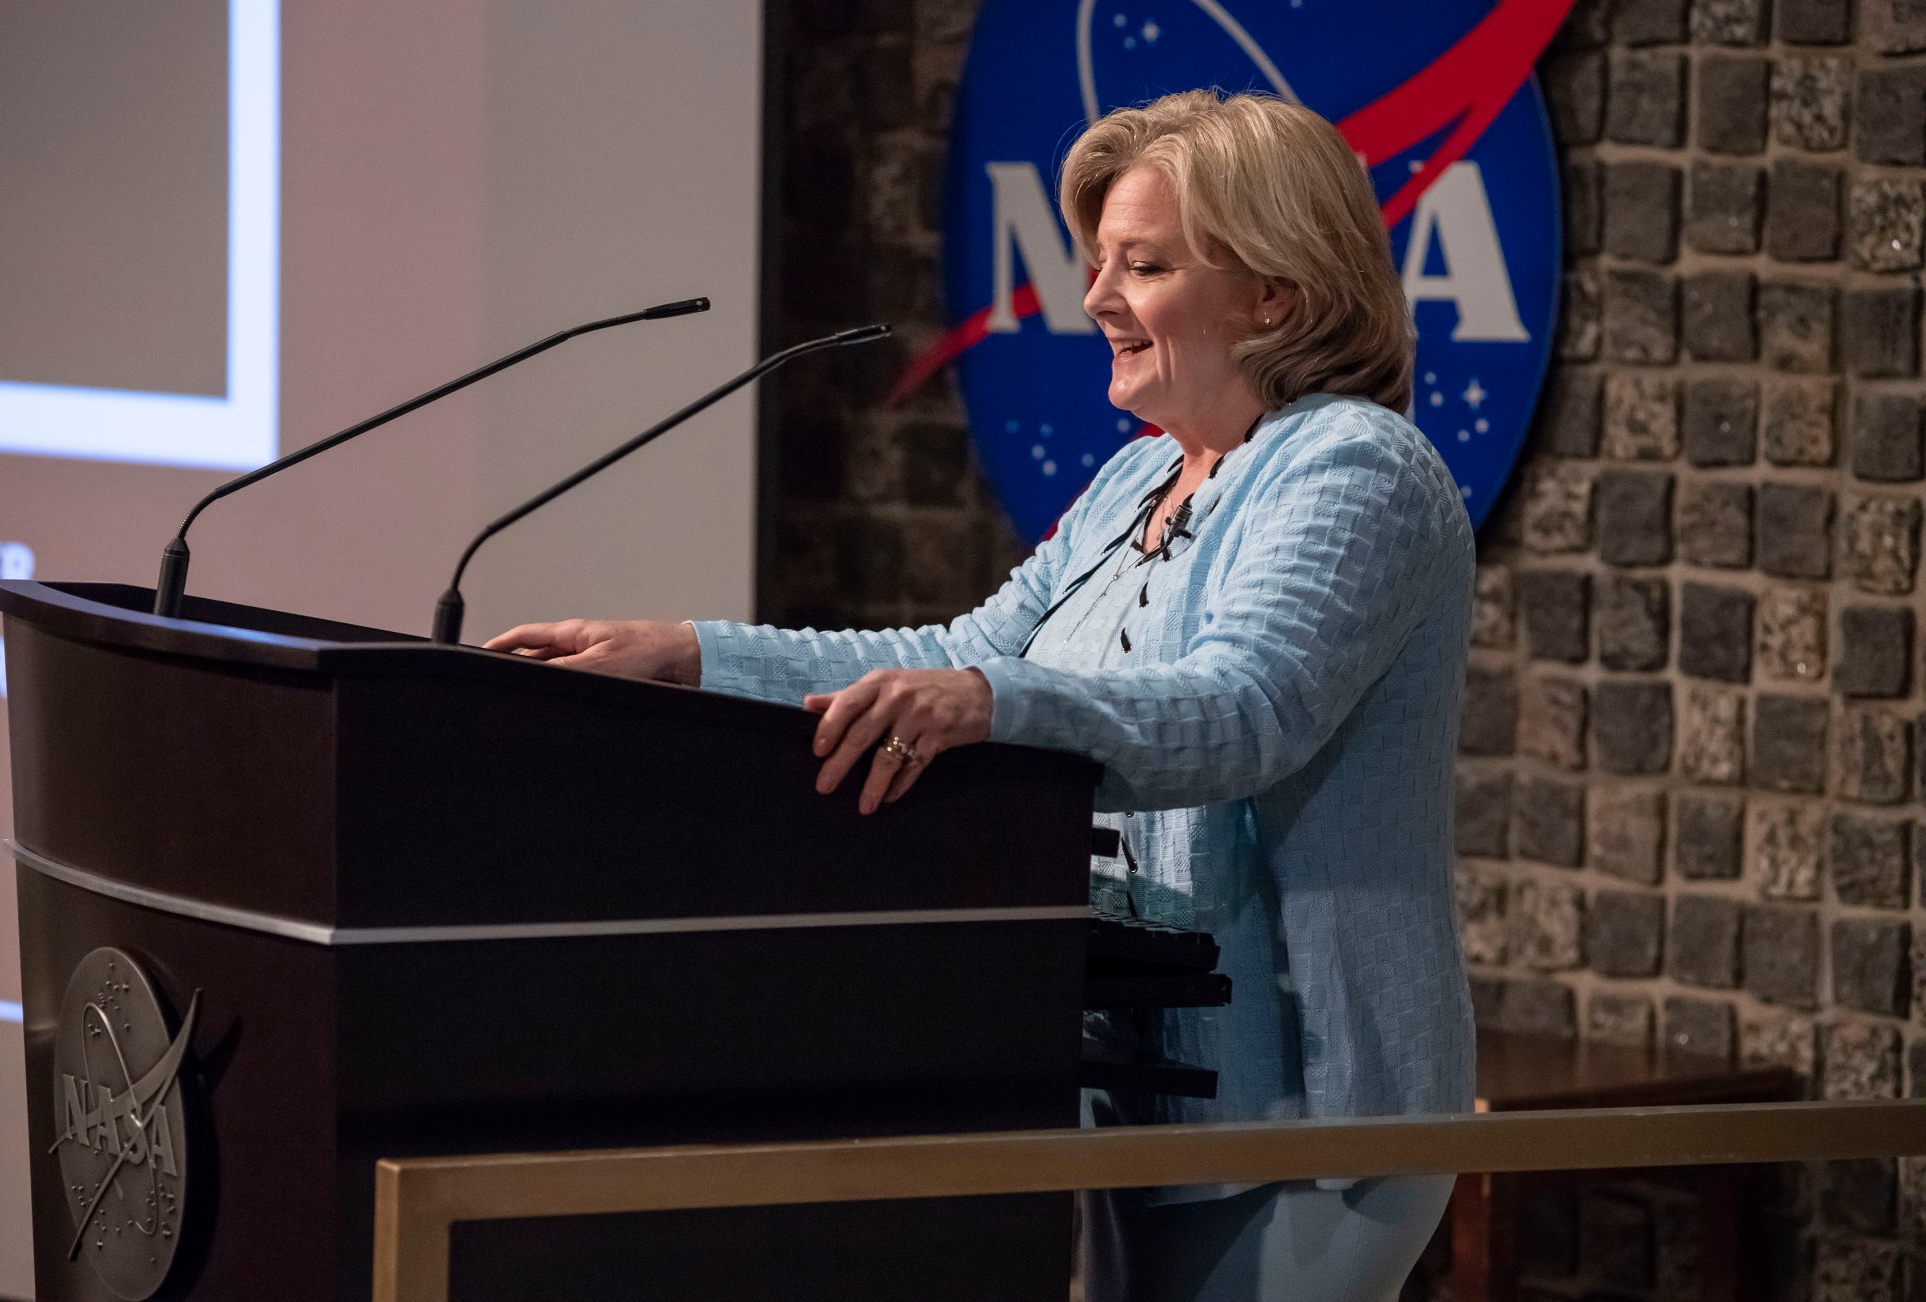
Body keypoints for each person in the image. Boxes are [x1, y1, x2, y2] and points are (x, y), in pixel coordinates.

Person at [487, 89, 1475, 1302]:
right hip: (1138, 1072)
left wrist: (984, 706)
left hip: (1309, 1096)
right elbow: (960, 647)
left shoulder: (1352, 468)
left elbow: (1239, 711)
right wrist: (689, 657)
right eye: (1097, 262)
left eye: (1143, 265)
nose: (1096, 300)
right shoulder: (1134, 483)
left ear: (1272, 289)